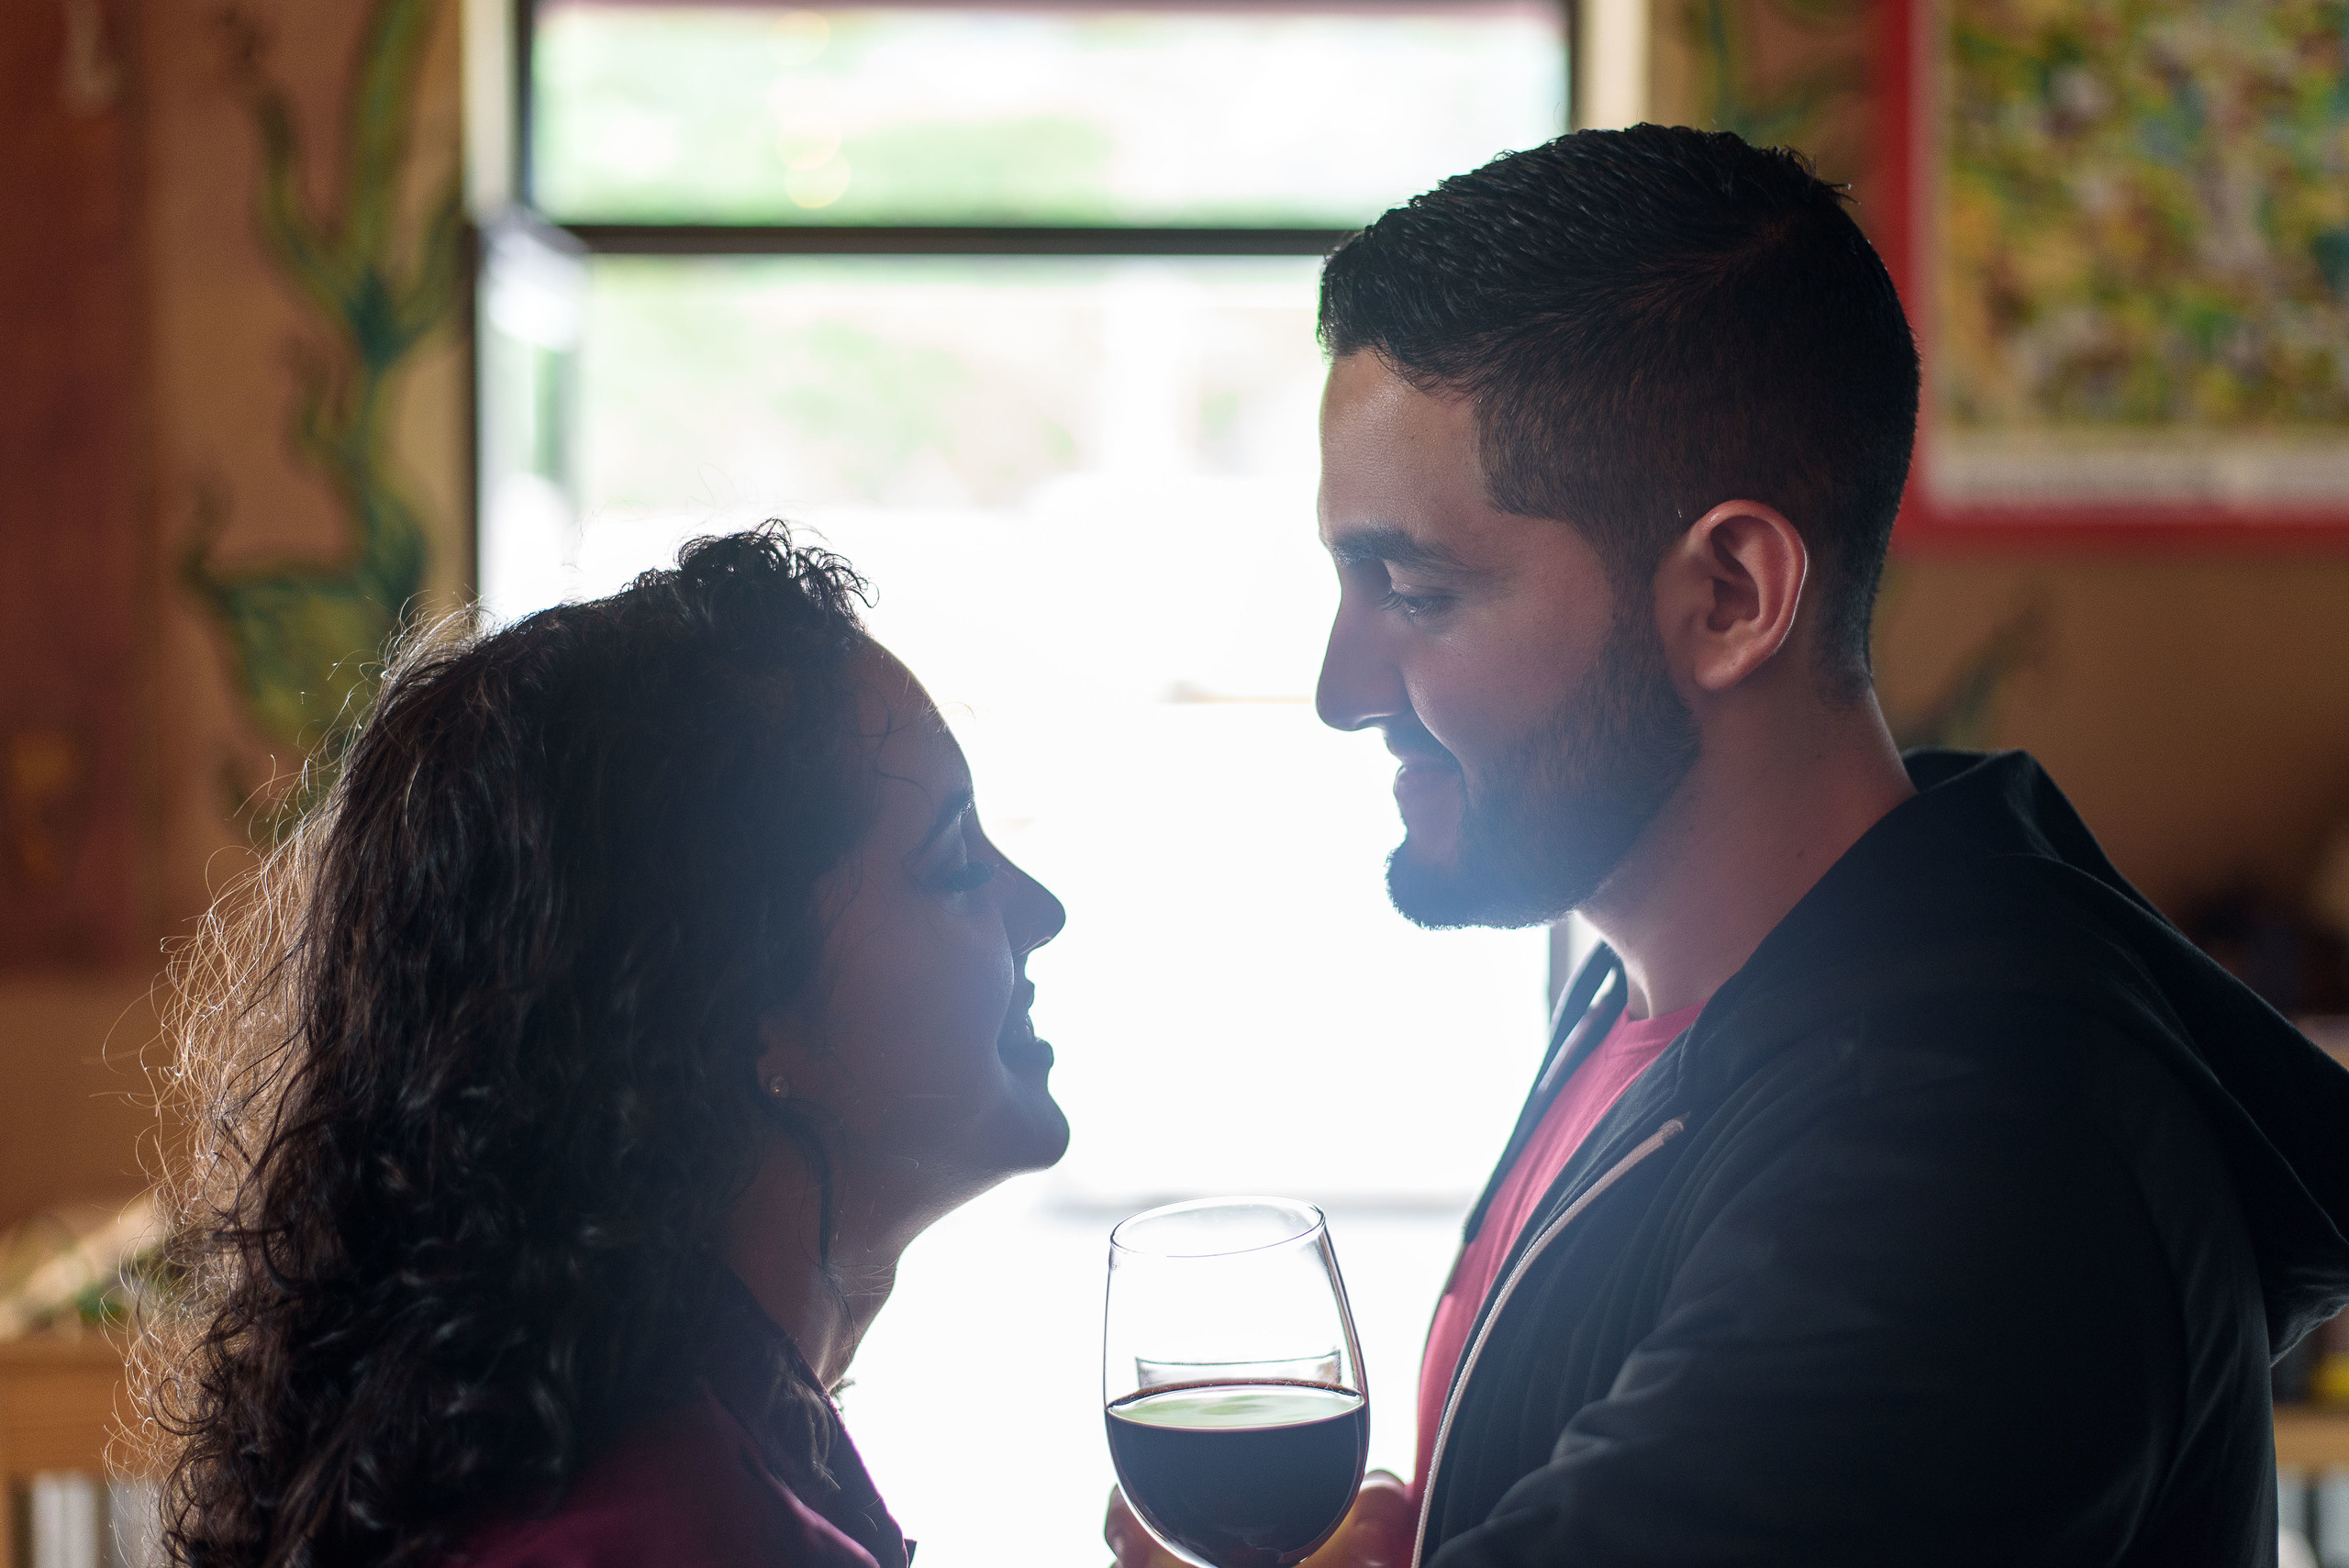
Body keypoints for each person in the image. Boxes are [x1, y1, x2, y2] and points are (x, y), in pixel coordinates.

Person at [1108, 125, 2349, 1566]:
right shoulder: (1660, 991)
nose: (1344, 688)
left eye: (1417, 589)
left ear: (1731, 594)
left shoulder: (1968, 1159)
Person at [149, 529, 1069, 1568]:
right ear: (746, 998)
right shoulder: (687, 1531)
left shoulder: (549, 1453)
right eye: (952, 863)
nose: (1040, 909)